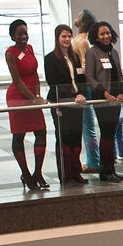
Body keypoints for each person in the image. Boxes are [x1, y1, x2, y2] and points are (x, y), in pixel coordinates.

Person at [5, 19, 48, 191]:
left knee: (41, 132)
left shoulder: (29, 49)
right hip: (18, 97)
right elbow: (17, 80)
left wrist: (37, 95)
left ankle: (38, 172)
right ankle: (26, 173)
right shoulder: (10, 53)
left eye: (25, 32)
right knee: (19, 136)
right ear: (13, 36)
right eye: (20, 33)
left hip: (31, 96)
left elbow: (35, 74)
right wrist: (32, 98)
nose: (24, 36)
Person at [43, 24, 87, 186]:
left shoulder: (75, 56)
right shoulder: (50, 59)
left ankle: (76, 172)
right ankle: (65, 174)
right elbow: (53, 81)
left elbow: (80, 79)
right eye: (63, 36)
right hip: (60, 102)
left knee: (76, 137)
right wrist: (73, 95)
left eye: (69, 36)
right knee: (64, 138)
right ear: (57, 38)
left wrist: (80, 94)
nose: (67, 39)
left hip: (77, 103)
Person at [84, 20, 123, 182]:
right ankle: (104, 170)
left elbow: (120, 75)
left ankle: (111, 169)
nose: (106, 36)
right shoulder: (92, 52)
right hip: (102, 99)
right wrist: (105, 93)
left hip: (115, 99)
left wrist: (121, 93)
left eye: (108, 33)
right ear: (96, 36)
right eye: (102, 34)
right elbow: (90, 77)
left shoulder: (113, 52)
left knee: (112, 133)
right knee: (106, 134)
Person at [72, 10, 100, 175]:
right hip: (84, 87)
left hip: (85, 87)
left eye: (79, 15)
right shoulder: (81, 40)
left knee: (87, 125)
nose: (77, 16)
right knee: (86, 125)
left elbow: (85, 65)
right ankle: (93, 159)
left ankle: (93, 161)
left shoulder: (82, 41)